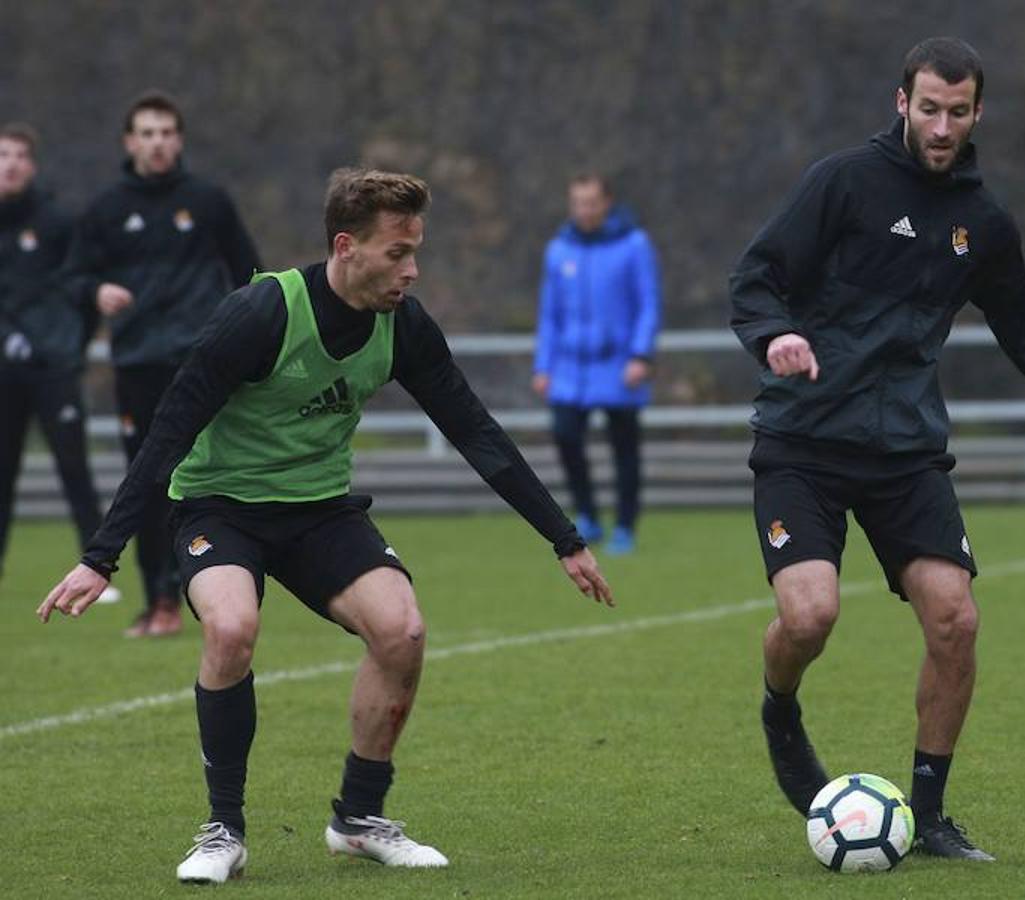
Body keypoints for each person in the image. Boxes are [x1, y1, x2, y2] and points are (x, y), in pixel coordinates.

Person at [38, 168, 613, 884]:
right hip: (220, 504)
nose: (412, 269)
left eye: (415, 250)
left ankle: (359, 820)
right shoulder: (260, 314)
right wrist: (102, 556)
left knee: (402, 631)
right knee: (230, 628)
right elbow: (167, 434)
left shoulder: (402, 323)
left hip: (319, 510)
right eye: (397, 252)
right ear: (346, 246)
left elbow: (475, 430)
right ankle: (224, 832)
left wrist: (564, 538)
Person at [729, 37, 1025, 861]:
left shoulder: (983, 223)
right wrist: (777, 333)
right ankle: (779, 705)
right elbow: (757, 274)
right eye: (927, 108)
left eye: (956, 112)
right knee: (810, 615)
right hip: (804, 442)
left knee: (956, 619)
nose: (940, 126)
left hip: (904, 454)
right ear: (902, 103)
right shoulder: (843, 183)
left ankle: (928, 816)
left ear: (976, 114)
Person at [64, 90, 261, 637]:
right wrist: (97, 290)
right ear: (131, 142)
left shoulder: (208, 201)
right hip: (138, 361)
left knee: (204, 480)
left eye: (167, 132)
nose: (157, 142)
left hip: (202, 363)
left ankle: (214, 590)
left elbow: (251, 274)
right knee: (147, 480)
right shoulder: (106, 208)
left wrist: (243, 333)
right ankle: (159, 597)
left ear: (179, 139)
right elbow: (74, 276)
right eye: (147, 133)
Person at [0, 122, 111, 598]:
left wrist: (69, 346)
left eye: (20, 156)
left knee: (74, 468)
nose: (11, 164)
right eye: (3, 155)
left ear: (33, 165)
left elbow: (83, 290)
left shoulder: (57, 223)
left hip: (53, 369)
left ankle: (96, 568)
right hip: (5, 372)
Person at [532, 173, 661, 554]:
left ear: (606, 203)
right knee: (565, 433)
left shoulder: (634, 245)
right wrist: (544, 365)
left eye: (590, 202)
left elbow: (648, 304)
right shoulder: (559, 250)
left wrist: (641, 354)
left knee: (624, 447)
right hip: (571, 368)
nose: (584, 210)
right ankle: (587, 513)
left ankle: (624, 524)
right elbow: (549, 314)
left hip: (619, 363)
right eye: (577, 203)